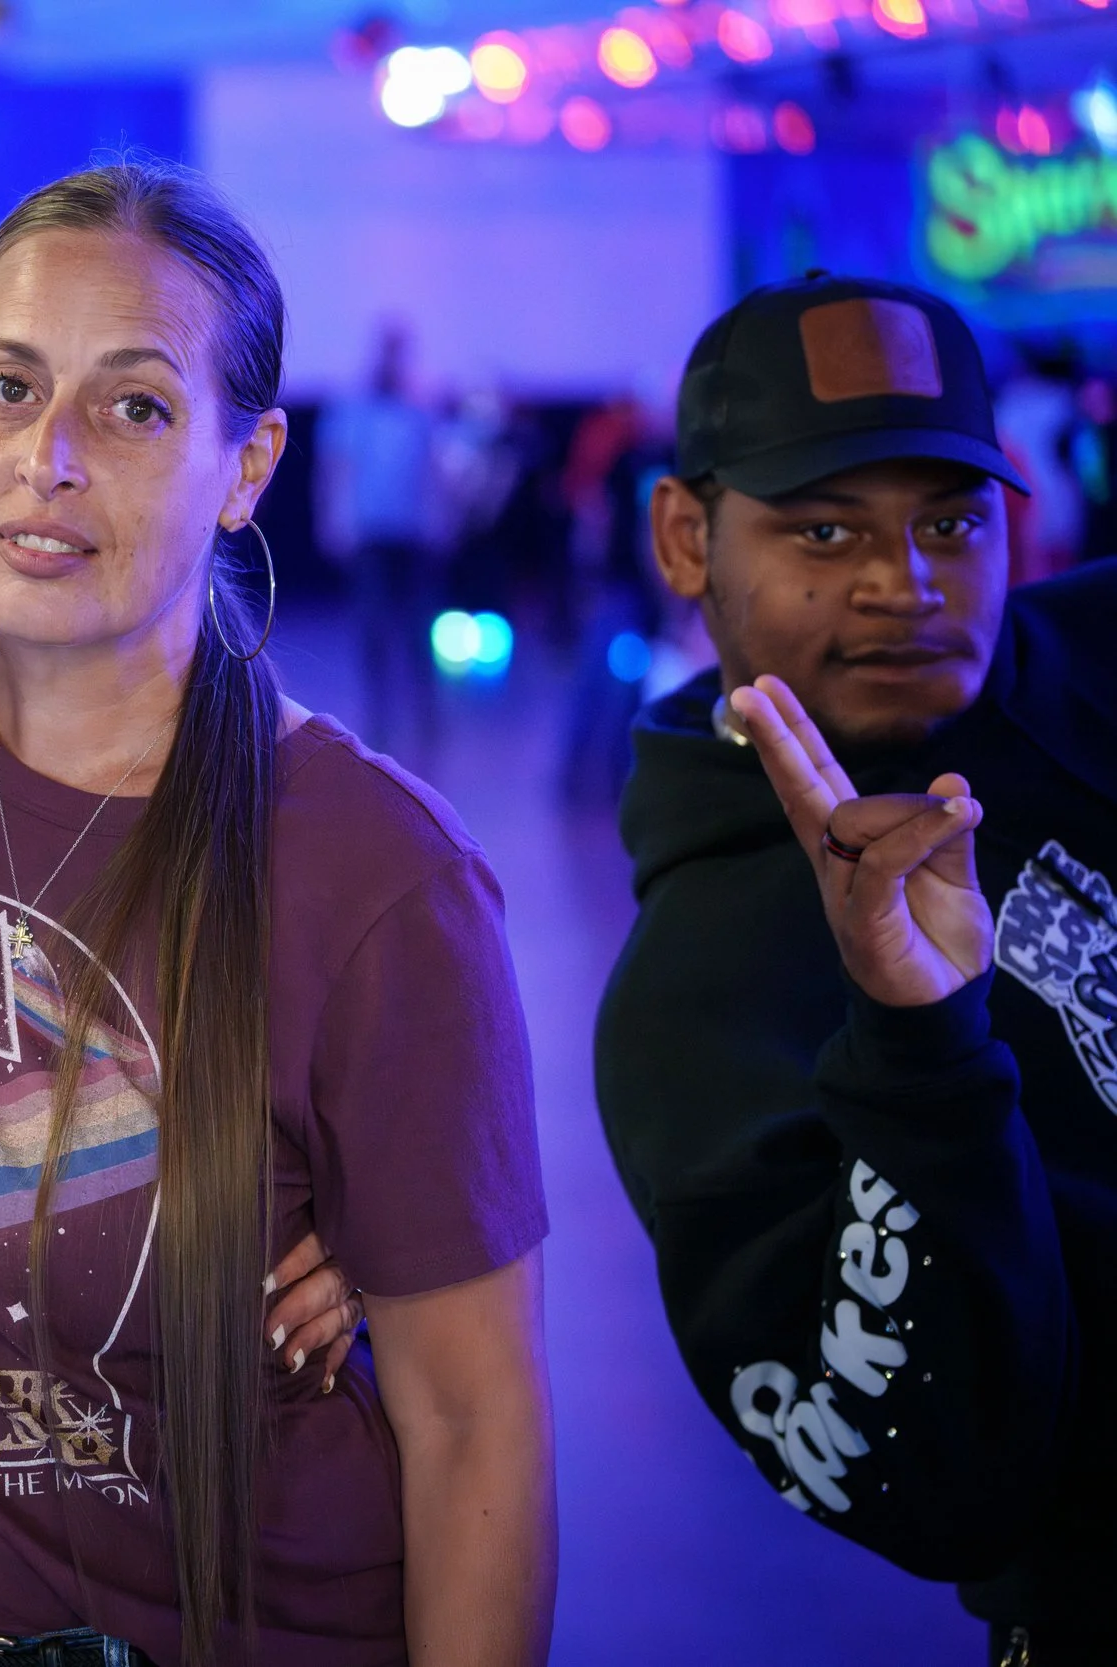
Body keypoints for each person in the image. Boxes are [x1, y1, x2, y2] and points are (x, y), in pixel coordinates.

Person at [0, 162, 554, 1667]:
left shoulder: (377, 872)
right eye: (10, 388)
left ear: (248, 461)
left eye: (135, 408)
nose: (49, 459)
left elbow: (475, 1426)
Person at [595, 273, 1117, 1666]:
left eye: (950, 521)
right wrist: (920, 1041)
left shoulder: (1088, 662)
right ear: (687, 536)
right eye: (825, 529)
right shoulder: (698, 993)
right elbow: (938, 1485)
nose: (907, 583)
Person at [319, 321, 443, 759]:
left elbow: (433, 472)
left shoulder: (419, 411)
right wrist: (335, 521)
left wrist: (436, 520)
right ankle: (380, 714)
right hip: (371, 533)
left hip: (410, 535)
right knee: (373, 626)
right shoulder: (353, 410)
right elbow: (337, 467)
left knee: (417, 627)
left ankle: (427, 713)